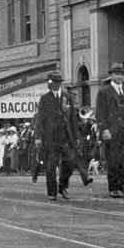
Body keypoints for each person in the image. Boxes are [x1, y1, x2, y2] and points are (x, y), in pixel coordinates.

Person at [33, 72, 92, 201]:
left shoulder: (67, 97)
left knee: (70, 162)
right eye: (49, 82)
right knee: (50, 166)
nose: (50, 84)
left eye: (52, 82)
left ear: (58, 83)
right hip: (50, 138)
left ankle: (63, 185)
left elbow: (72, 120)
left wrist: (76, 137)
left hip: (65, 136)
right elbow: (40, 120)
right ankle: (52, 192)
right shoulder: (45, 99)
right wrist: (38, 137)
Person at [95, 63, 124, 198]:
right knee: (114, 160)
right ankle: (114, 187)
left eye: (121, 74)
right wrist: (104, 129)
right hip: (112, 131)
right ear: (111, 75)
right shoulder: (104, 92)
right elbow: (100, 114)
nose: (119, 76)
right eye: (116, 74)